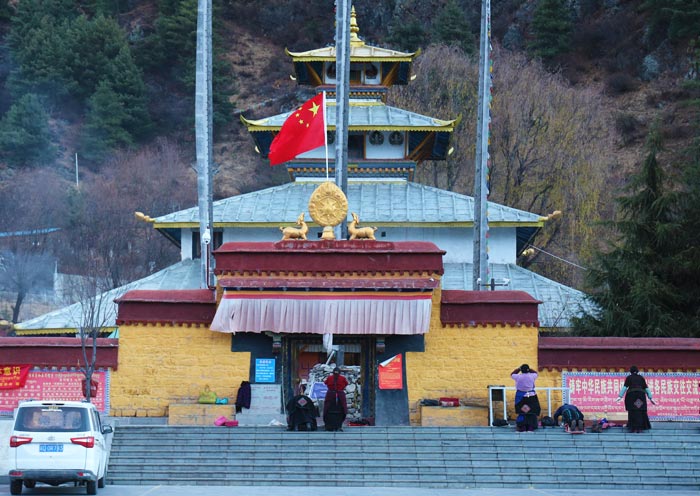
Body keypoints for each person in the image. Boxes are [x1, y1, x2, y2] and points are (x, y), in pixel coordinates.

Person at [616, 365, 655, 433]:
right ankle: (641, 427)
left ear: (630, 371)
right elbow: (646, 388)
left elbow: (625, 387)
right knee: (640, 411)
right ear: (637, 371)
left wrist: (620, 396)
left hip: (631, 395)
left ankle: (633, 427)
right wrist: (650, 397)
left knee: (632, 411)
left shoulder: (629, 377)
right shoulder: (641, 378)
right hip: (641, 395)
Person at [511, 364, 540, 432]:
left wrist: (519, 368)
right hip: (531, 397)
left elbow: (512, 374)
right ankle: (530, 427)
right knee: (531, 412)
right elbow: (535, 373)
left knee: (522, 412)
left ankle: (522, 427)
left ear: (521, 370)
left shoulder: (518, 377)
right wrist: (529, 369)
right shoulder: (532, 376)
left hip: (521, 397)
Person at [323, 367, 348, 431]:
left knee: (327, 408)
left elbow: (325, 383)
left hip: (330, 394)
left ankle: (328, 424)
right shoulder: (343, 378)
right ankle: (339, 425)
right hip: (340, 394)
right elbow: (346, 384)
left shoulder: (329, 378)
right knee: (343, 408)